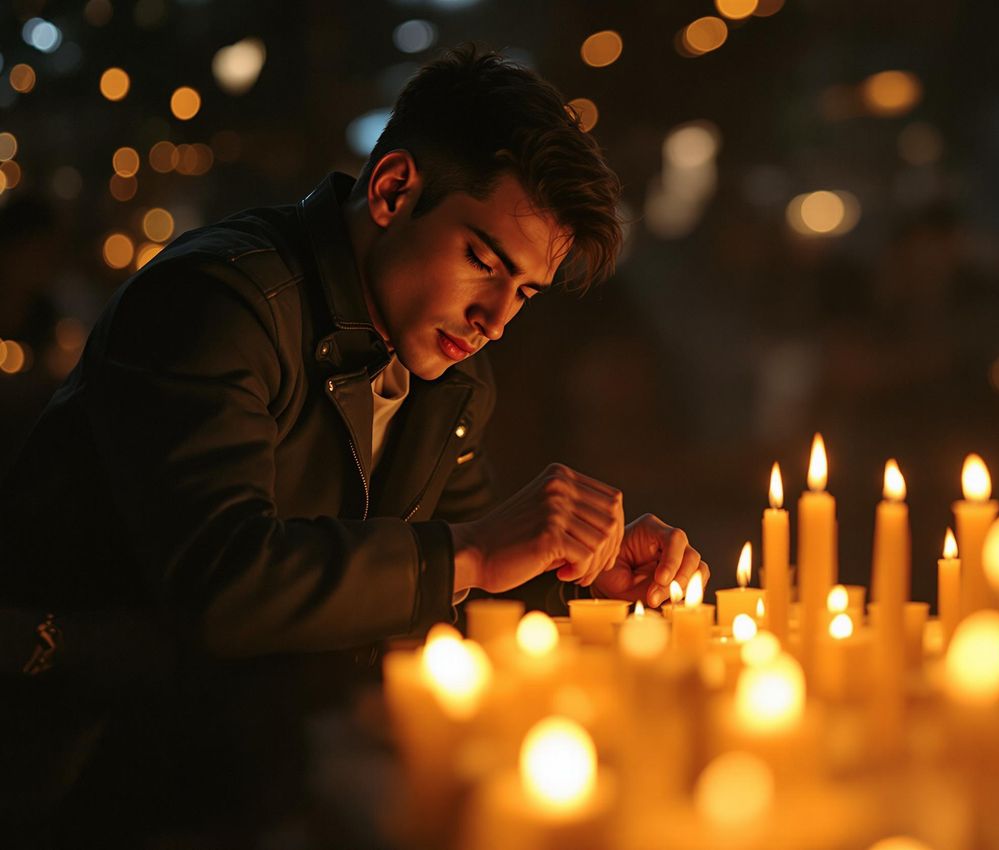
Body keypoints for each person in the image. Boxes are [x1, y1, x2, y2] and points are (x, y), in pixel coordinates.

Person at [0, 45, 707, 841]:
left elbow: (454, 594)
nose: (497, 318)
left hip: (257, 770)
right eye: (483, 260)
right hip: (79, 777)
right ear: (393, 189)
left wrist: (579, 570)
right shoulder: (218, 301)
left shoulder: (449, 377)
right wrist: (473, 550)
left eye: (526, 292)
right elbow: (223, 584)